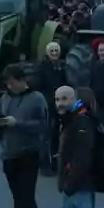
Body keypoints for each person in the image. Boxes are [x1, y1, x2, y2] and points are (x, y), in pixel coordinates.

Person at [0, 65, 49, 208]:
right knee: (17, 198)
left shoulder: (37, 99)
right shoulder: (5, 97)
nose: (9, 86)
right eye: (7, 83)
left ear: (21, 80)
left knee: (27, 197)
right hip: (9, 154)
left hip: (28, 154)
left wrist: (19, 123)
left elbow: (43, 126)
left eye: (12, 82)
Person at [36, 41, 68, 175]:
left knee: (56, 136)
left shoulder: (61, 67)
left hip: (59, 106)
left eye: (56, 50)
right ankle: (44, 165)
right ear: (47, 53)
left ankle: (55, 163)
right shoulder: (42, 68)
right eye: (52, 51)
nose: (54, 53)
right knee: (46, 136)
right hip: (48, 105)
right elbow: (41, 86)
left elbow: (65, 83)